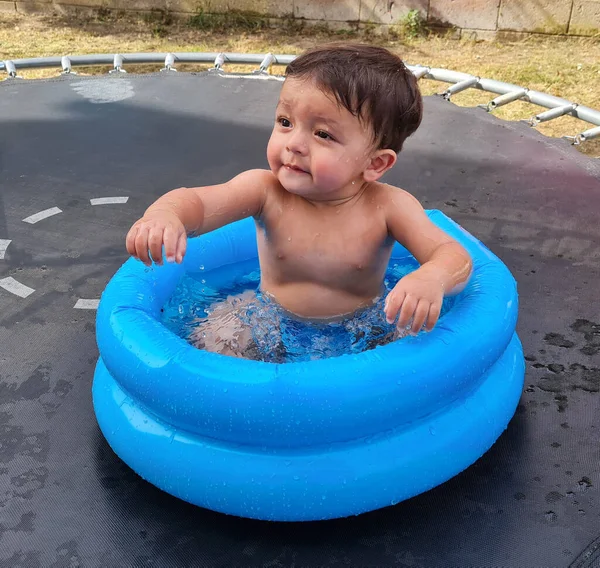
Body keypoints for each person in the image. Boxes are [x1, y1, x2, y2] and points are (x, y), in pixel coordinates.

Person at [126, 43, 473, 359]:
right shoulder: (265, 191)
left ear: (375, 163)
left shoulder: (388, 207)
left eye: (322, 134)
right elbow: (199, 203)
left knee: (409, 348)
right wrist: (166, 214)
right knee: (219, 334)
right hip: (268, 314)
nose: (294, 143)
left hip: (366, 325)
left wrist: (431, 279)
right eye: (285, 122)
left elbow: (453, 254)